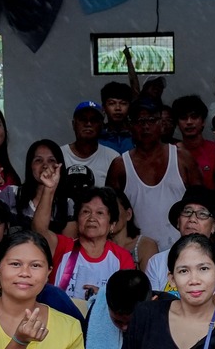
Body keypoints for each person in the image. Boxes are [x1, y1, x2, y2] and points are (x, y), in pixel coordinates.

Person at [110, 98, 187, 257]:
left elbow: (201, 203)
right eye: (139, 121)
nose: (145, 126)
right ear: (130, 126)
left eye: (151, 120)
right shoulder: (120, 165)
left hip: (181, 252)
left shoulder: (182, 159)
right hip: (136, 256)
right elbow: (110, 212)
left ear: (161, 123)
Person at [43, 185, 137, 311]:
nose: (92, 218)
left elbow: (128, 301)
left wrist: (105, 296)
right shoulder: (62, 246)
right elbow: (40, 230)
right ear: (77, 220)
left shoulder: (122, 257)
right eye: (86, 212)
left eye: (100, 213)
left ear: (112, 224)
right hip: (60, 324)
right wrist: (49, 189)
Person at [143, 186, 215, 294]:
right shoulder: (157, 262)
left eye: (202, 214)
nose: (192, 219)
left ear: (213, 226)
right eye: (187, 212)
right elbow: (154, 306)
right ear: (178, 221)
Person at [61, 103, 122, 219]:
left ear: (102, 126)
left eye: (94, 120)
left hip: (99, 226)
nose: (88, 124)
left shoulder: (113, 158)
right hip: (63, 224)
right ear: (74, 124)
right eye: (83, 119)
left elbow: (116, 202)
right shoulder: (58, 155)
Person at [19, 139, 66, 231]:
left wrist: (50, 188)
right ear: (30, 166)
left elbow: (67, 244)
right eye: (38, 160)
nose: (45, 165)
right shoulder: (10, 194)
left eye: (51, 160)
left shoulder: (68, 204)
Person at [97, 81, 136, 153]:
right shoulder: (97, 137)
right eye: (112, 103)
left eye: (123, 103)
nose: (118, 108)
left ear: (130, 107)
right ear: (103, 108)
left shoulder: (137, 135)